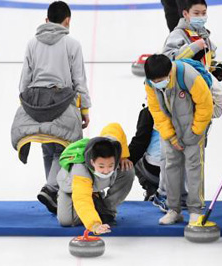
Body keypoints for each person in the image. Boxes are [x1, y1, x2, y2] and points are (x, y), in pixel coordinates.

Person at [11, 1, 91, 214]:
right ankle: (51, 187)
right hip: (61, 100)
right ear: (67, 21)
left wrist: (26, 105)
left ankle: (53, 193)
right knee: (64, 149)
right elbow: (79, 80)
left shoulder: (32, 43)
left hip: (35, 101)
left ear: (46, 20)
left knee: (48, 144)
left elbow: (24, 80)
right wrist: (85, 109)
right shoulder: (71, 43)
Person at [144, 53, 213, 225]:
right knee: (170, 167)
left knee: (194, 168)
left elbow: (205, 105)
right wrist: (170, 136)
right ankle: (173, 209)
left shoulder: (188, 75)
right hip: (170, 131)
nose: (158, 82)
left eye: (161, 79)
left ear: (170, 72)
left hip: (193, 130)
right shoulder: (150, 83)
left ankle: (196, 211)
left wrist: (195, 132)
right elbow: (156, 111)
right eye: (154, 80)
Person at [56, 124, 135, 231]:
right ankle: (91, 201)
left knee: (127, 169)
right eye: (101, 166)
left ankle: (106, 209)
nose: (106, 171)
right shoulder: (80, 170)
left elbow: (115, 127)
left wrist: (124, 157)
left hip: (94, 184)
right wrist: (94, 224)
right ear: (92, 162)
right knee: (66, 221)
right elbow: (82, 199)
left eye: (110, 165)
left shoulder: (112, 145)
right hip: (72, 187)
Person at [163, 0, 216, 68]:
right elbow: (168, 60)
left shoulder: (203, 33)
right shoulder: (177, 34)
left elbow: (208, 60)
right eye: (196, 13)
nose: (201, 17)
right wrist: (194, 47)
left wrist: (215, 68)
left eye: (204, 13)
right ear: (185, 14)